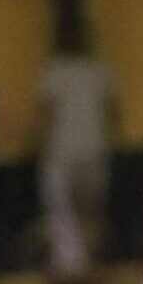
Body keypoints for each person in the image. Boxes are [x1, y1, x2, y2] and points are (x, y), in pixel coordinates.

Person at [37, 21, 119, 223]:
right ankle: (83, 252)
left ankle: (76, 253)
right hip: (90, 146)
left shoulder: (55, 70)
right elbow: (112, 113)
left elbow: (47, 114)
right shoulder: (99, 70)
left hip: (65, 148)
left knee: (65, 209)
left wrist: (38, 142)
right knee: (86, 210)